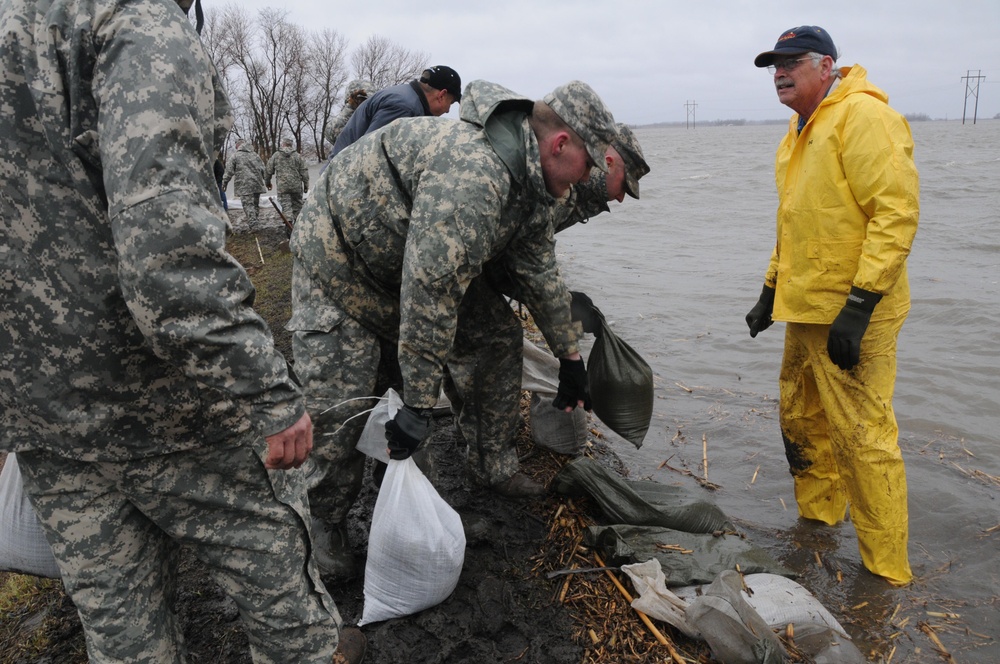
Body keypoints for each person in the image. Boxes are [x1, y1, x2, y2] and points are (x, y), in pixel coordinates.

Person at [0, 0, 365, 661]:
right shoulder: (136, 20)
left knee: (125, 638)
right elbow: (168, 265)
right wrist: (268, 392)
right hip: (160, 403)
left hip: (38, 409)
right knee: (284, 606)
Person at [288, 79, 617, 577]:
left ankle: (470, 474)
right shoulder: (474, 178)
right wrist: (421, 403)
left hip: (400, 267)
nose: (587, 178)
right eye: (589, 164)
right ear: (560, 144)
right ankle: (322, 525)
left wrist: (570, 358)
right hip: (339, 262)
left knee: (492, 339)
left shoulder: (531, 186)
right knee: (348, 399)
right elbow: (431, 292)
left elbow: (540, 274)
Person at [745, 26, 919, 586]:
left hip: (853, 313)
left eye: (790, 62)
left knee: (863, 439)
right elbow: (793, 223)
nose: (779, 72)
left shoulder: (864, 118)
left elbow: (895, 214)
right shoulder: (797, 133)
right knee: (800, 418)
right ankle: (819, 524)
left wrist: (862, 303)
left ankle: (886, 573)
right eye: (774, 64)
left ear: (826, 67)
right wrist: (770, 291)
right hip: (806, 309)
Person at [450, 122, 650, 496]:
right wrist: (564, 336)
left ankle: (474, 441)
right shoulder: (563, 187)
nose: (622, 199)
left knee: (473, 346)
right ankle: (493, 468)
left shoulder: (573, 192)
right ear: (608, 163)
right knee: (499, 343)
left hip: (472, 264)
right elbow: (524, 258)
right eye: (624, 186)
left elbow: (518, 252)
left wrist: (562, 302)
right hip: (455, 264)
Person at [330, 64, 463, 157]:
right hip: (341, 184)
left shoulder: (407, 97)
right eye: (450, 103)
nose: (447, 110)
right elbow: (372, 155)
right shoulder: (404, 107)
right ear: (442, 95)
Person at [223, 137, 269, 230]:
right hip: (257, 184)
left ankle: (253, 226)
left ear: (237, 145)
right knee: (255, 204)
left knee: (248, 205)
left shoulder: (235, 156)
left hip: (244, 186)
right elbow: (263, 169)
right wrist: (267, 182)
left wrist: (224, 183)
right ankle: (255, 222)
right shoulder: (255, 155)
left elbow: (229, 172)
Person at [265, 138, 310, 225]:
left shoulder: (276, 155)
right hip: (296, 186)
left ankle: (289, 227)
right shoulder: (297, 156)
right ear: (291, 145)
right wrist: (306, 185)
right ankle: (299, 227)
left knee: (286, 207)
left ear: (283, 144)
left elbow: (268, 170)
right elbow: (304, 172)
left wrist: (267, 183)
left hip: (283, 187)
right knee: (298, 207)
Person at [324, 78, 375, 148]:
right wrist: (350, 108)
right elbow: (331, 133)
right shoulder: (347, 122)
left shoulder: (380, 116)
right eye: (358, 100)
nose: (362, 103)